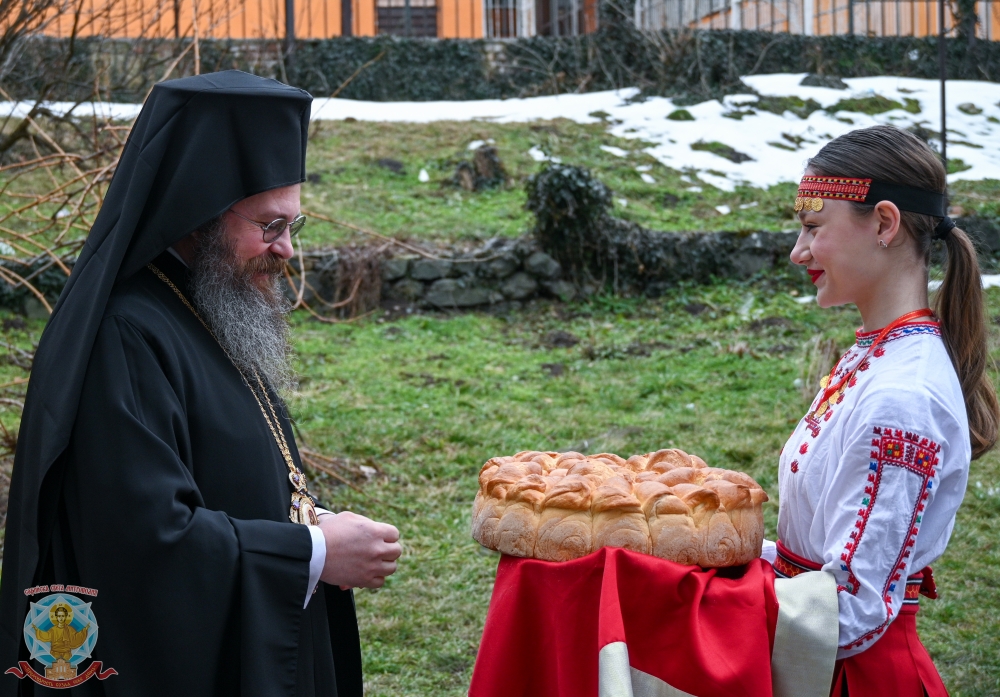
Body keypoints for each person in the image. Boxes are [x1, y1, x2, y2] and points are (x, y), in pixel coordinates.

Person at [0, 70, 401, 696]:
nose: (287, 250)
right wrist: (314, 552)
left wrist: (309, 517)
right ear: (200, 211)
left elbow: (222, 466)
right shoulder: (126, 336)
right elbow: (145, 544)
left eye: (294, 225)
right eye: (270, 226)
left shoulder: (209, 303)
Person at [766, 124, 999, 696]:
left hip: (854, 679)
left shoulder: (903, 395)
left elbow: (851, 606)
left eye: (814, 227)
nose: (798, 252)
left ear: (886, 224)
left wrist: (704, 603)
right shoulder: (878, 354)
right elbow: (815, 558)